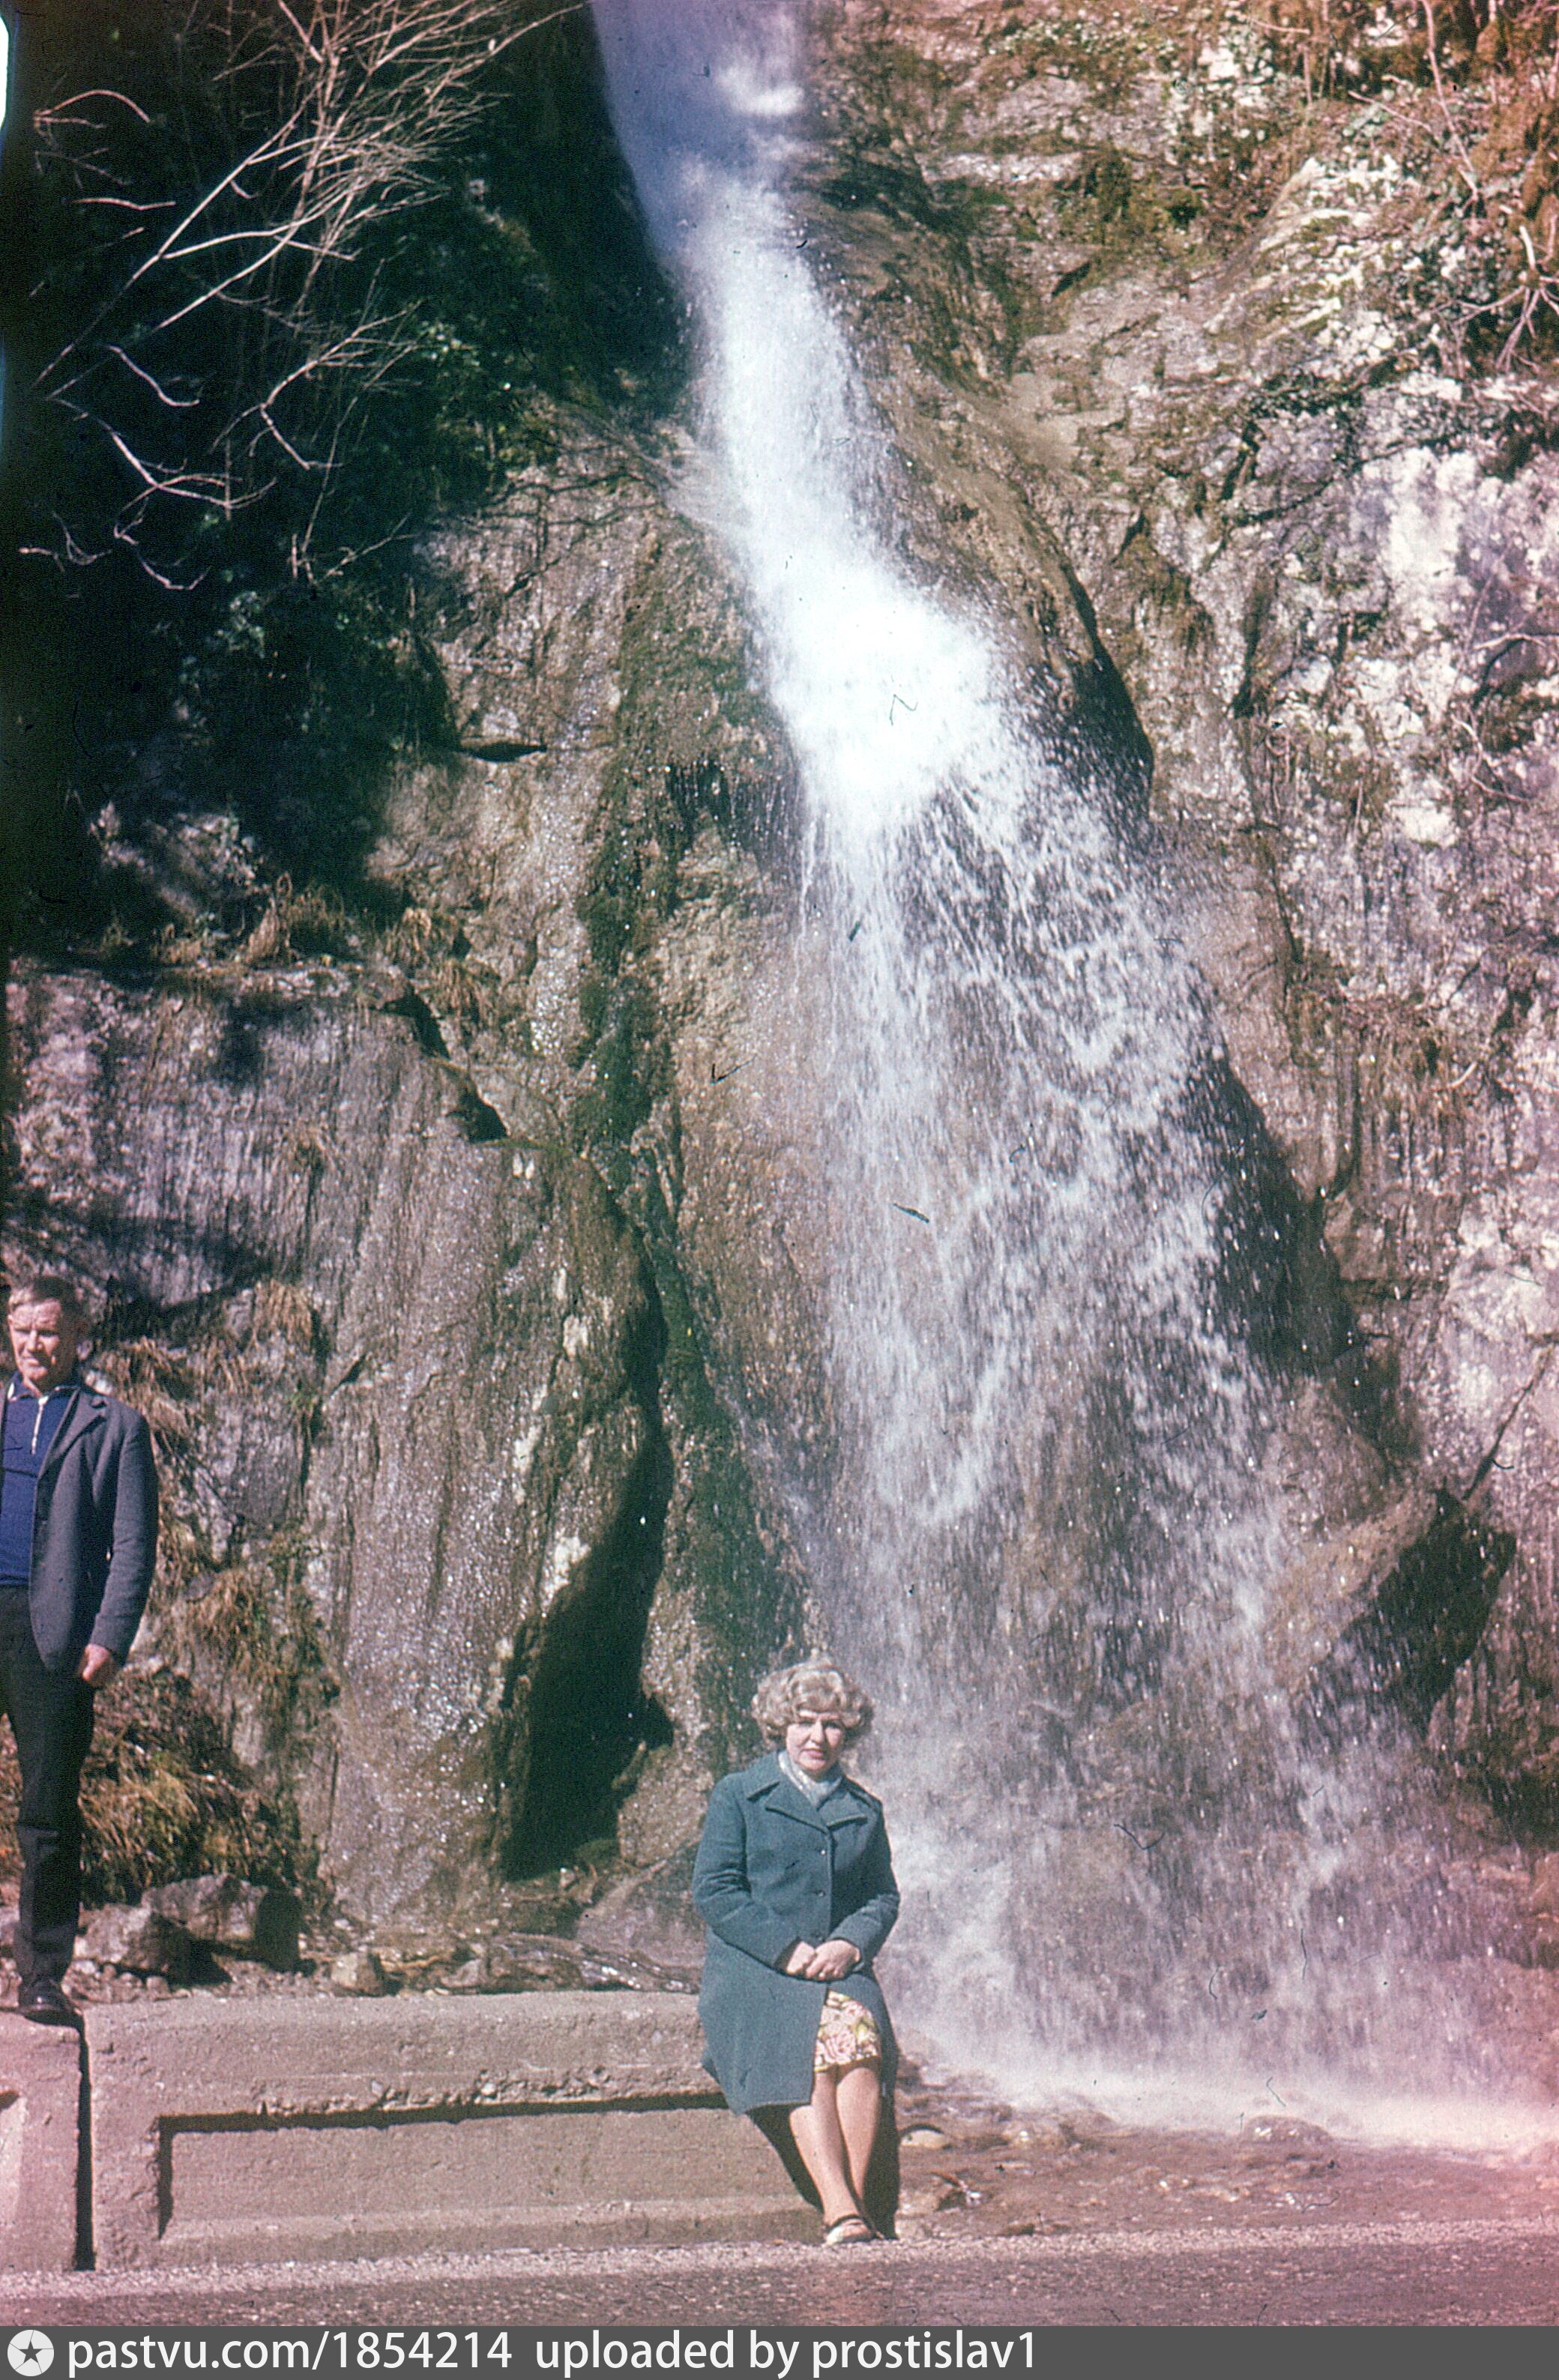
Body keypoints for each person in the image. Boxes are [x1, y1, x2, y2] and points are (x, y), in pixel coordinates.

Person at [692, 1655, 899, 2245]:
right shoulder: (739, 1794)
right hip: (757, 1965)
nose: (818, 1737)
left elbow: (882, 1897)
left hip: (835, 1965)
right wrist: (784, 1949)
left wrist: (849, 1944)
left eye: (832, 1725)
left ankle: (851, 2210)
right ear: (782, 1724)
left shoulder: (864, 1809)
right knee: (804, 2051)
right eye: (805, 1721)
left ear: (847, 1732)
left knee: (860, 2042)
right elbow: (714, 1889)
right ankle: (843, 2210)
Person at [1, 1275, 158, 2023]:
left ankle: (41, 1975)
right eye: (23, 1329)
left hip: (55, 1631)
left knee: (49, 1809)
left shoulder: (115, 1426)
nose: (34, 1344)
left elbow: (134, 1544)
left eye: (49, 1331)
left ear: (75, 1338)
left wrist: (111, 1636)